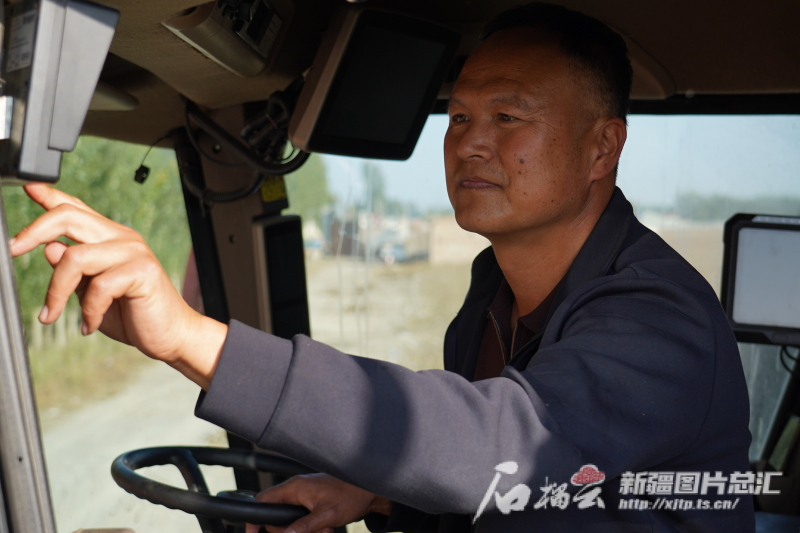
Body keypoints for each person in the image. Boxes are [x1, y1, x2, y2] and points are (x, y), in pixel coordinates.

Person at [11, 3, 754, 532]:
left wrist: (187, 335)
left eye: (508, 117)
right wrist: (376, 495)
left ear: (602, 148)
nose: (470, 143)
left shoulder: (661, 318)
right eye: (459, 117)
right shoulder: (492, 295)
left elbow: (503, 452)